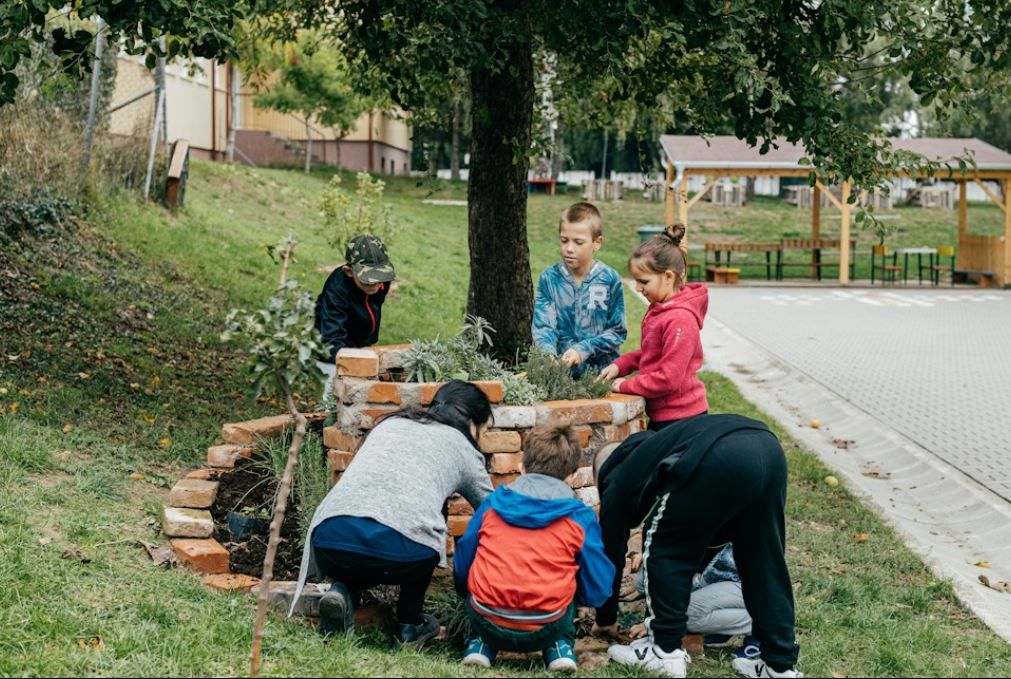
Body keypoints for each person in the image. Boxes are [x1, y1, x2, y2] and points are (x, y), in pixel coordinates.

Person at [590, 414, 802, 678]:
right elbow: (706, 533)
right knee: (763, 563)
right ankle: (779, 666)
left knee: (661, 549)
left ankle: (664, 651)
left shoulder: (619, 478)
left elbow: (610, 553)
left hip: (720, 455)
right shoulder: (662, 445)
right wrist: (693, 568)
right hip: (768, 448)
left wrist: (605, 619)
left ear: (606, 473)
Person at [289, 380, 494, 649]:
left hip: (328, 542)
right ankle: (410, 625)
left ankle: (342, 592)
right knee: (425, 524)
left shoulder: (389, 425)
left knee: (365, 533)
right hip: (403, 556)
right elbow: (494, 511)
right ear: (472, 422)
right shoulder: (463, 449)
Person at [453, 425, 615, 672]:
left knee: (482, 581)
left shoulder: (492, 506)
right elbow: (598, 585)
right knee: (569, 580)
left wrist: (467, 591)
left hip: (485, 617)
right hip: (547, 625)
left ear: (522, 466)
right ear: (572, 476)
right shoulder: (579, 517)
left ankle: (480, 645)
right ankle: (559, 648)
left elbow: (464, 559)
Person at [598, 223, 707, 431]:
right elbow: (653, 353)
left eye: (644, 281)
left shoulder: (680, 320)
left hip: (683, 419)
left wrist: (624, 385)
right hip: (665, 415)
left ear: (668, 277)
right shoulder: (661, 310)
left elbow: (668, 379)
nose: (638, 288)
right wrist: (621, 365)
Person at [532, 202, 627, 377]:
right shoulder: (549, 279)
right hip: (561, 378)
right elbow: (544, 326)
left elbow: (617, 331)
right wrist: (549, 355)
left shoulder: (609, 279)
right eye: (564, 240)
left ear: (597, 243)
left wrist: (583, 349)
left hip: (601, 377)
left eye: (578, 242)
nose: (569, 248)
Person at [629, 545, 760, 662]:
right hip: (710, 577)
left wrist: (659, 621)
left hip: (744, 583)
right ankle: (721, 627)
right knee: (643, 579)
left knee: (685, 614)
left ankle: (761, 623)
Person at [314, 234, 396, 400]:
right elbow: (331, 340)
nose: (375, 285)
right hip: (331, 348)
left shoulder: (382, 279)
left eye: (379, 278)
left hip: (360, 341)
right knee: (334, 397)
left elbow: (375, 303)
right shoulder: (336, 290)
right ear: (349, 271)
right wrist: (355, 362)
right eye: (367, 280)